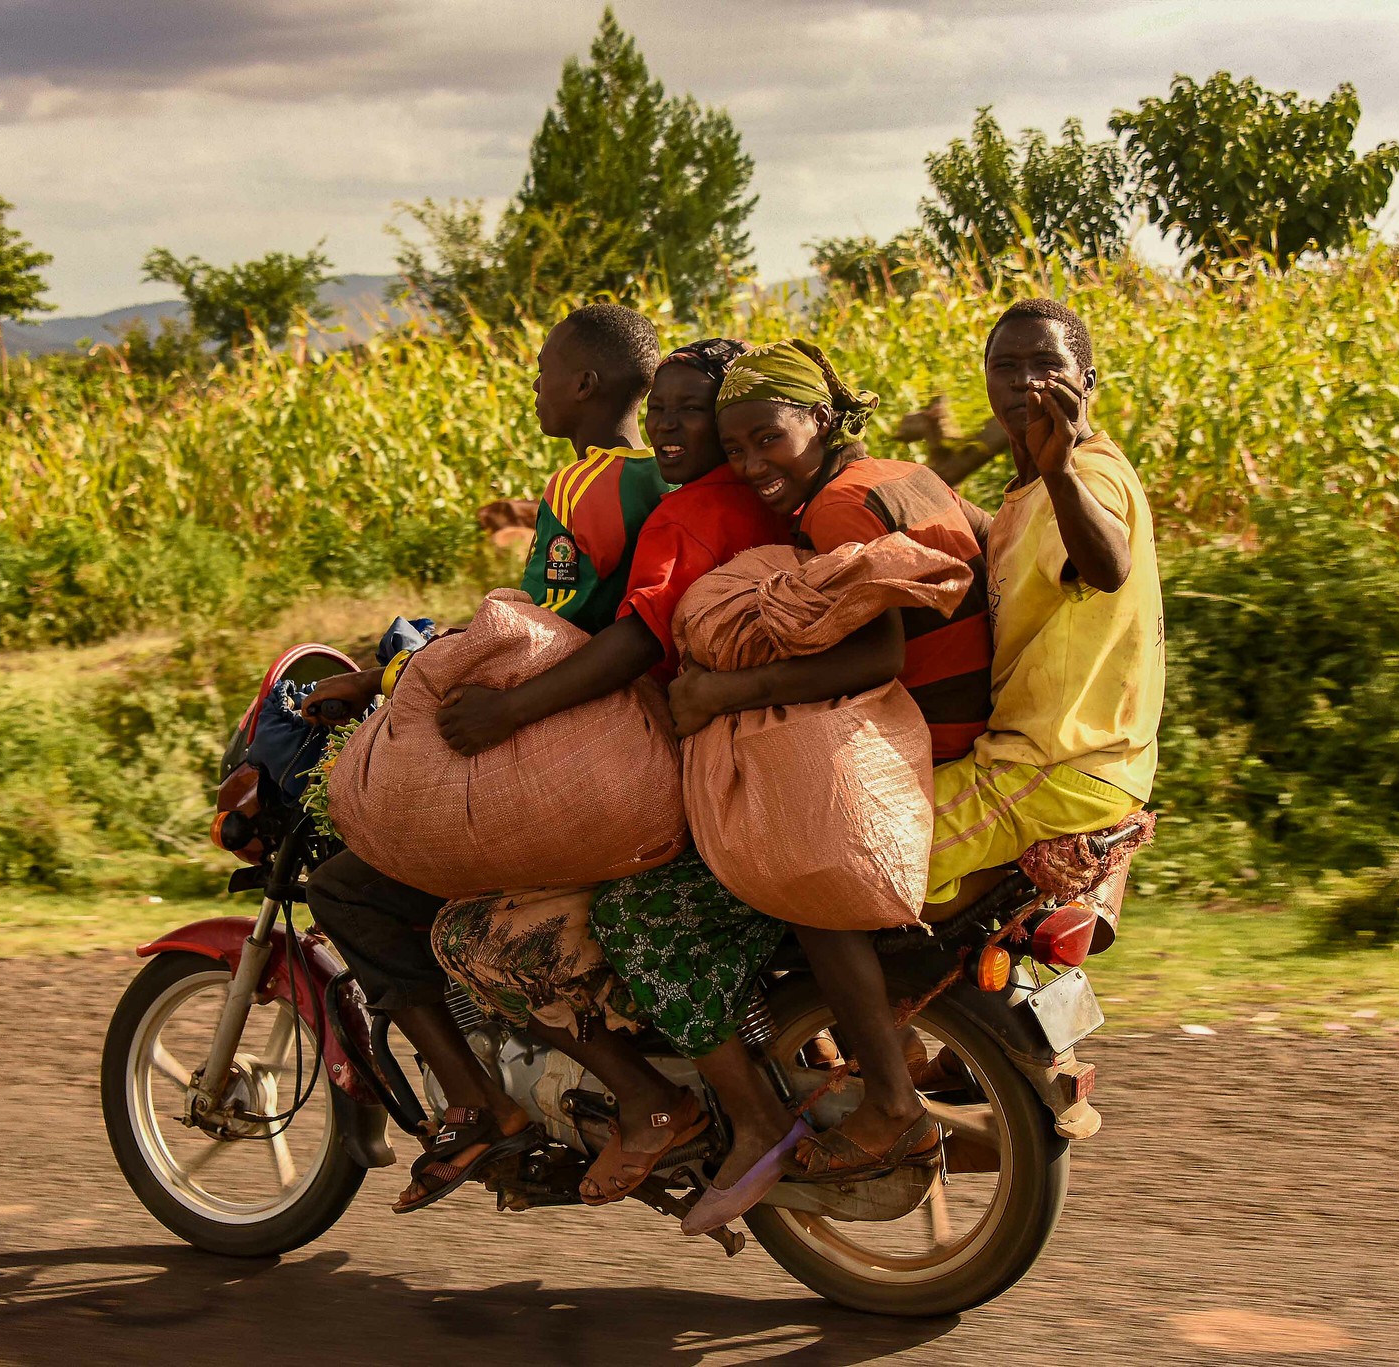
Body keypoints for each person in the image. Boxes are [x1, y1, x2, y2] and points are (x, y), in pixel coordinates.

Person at [297, 302, 668, 1213]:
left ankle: (475, 1101)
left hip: (578, 742)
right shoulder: (661, 476)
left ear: (585, 383)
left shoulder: (589, 485)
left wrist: (402, 674)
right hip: (640, 732)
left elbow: (543, 633)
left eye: (545, 366)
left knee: (351, 884)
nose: (534, 381)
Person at [430, 338, 794, 1206]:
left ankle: (665, 1105)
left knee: (472, 936)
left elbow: (610, 633)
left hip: (691, 766)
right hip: (746, 756)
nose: (670, 425)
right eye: (661, 408)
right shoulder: (767, 499)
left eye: (691, 411)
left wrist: (501, 706)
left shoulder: (660, 505)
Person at [667, 336, 993, 1181]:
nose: (749, 465)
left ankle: (892, 1100)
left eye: (767, 438)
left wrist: (716, 695)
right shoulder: (898, 474)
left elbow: (875, 657)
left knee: (807, 875)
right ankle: (902, 1050)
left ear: (817, 418)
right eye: (734, 449)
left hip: (939, 723)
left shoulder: (836, 508)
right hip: (975, 702)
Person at [917, 296, 1163, 918]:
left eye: (1046, 364)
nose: (1025, 381)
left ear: (1087, 382)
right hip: (1033, 763)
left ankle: (868, 1022)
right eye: (1005, 367)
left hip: (1054, 768)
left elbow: (1107, 566)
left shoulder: (1090, 473)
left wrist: (1061, 473)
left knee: (849, 851)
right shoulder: (1021, 497)